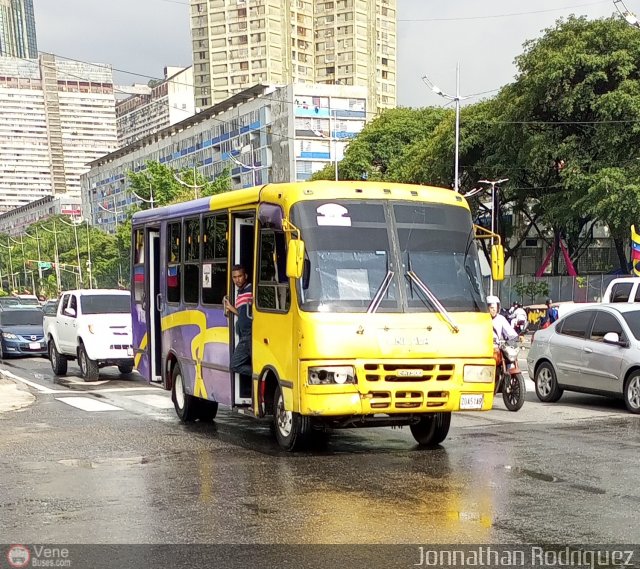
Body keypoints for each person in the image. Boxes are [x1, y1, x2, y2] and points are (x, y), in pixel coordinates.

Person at [224, 264, 253, 378]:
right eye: (234, 277)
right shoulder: (240, 292)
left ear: (245, 275)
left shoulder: (251, 290)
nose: (237, 280)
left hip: (249, 334)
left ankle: (257, 373)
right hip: (244, 335)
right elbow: (243, 313)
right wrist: (231, 308)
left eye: (240, 276)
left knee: (235, 365)